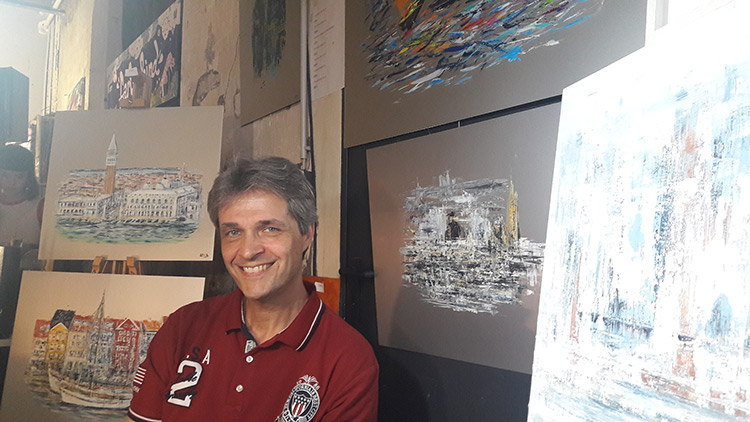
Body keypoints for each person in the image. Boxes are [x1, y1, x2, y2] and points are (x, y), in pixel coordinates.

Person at [127, 157, 379, 422]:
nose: (248, 251)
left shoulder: (349, 361)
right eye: (233, 233)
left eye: (269, 229)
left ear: (307, 234)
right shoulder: (183, 326)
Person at [0, 144, 42, 247]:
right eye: (5, 175)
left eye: (19, 177)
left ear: (29, 178)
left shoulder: (39, 207)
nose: (11, 182)